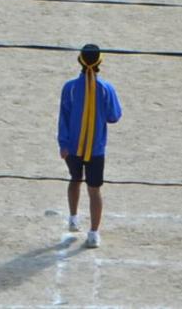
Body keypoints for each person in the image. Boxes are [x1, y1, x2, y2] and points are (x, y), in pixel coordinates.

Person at [58, 44, 122, 248]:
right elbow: (114, 116)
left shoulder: (69, 88)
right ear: (99, 63)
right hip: (96, 148)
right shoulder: (106, 89)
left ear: (80, 61)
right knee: (94, 190)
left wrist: (63, 143)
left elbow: (63, 117)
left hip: (72, 146)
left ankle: (73, 218)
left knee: (75, 180)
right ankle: (93, 232)